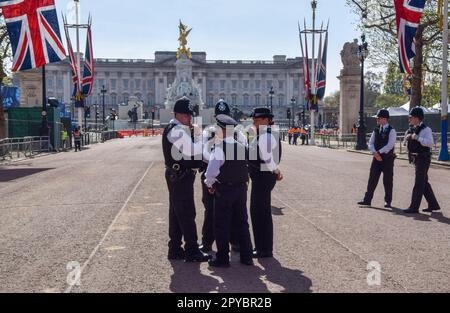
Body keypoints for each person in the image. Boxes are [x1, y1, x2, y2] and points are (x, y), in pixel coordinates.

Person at [162, 97, 211, 262]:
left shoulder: (179, 129)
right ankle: (191, 250)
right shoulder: (177, 130)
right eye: (187, 115)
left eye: (190, 115)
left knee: (176, 213)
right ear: (177, 114)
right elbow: (193, 151)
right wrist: (199, 135)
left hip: (179, 175)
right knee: (187, 212)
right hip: (180, 176)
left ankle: (175, 248)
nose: (190, 118)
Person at [204, 114, 253, 267]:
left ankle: (223, 258)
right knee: (242, 223)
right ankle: (247, 257)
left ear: (223, 130)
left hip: (224, 190)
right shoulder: (243, 147)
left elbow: (210, 172)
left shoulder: (219, 148)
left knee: (221, 224)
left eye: (218, 128)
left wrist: (210, 184)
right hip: (241, 189)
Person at [200, 99, 245, 253]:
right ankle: (219, 242)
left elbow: (204, 154)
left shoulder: (209, 131)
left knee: (217, 211)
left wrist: (217, 157)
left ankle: (215, 244)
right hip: (226, 176)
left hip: (217, 176)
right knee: (221, 211)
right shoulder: (238, 132)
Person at [248, 107, 283, 259]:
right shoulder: (266, 134)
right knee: (261, 213)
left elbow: (268, 159)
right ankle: (263, 247)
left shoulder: (265, 136)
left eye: (257, 119)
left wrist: (276, 171)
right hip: (262, 176)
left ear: (266, 120)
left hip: (262, 177)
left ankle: (263, 249)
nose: (254, 121)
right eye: (254, 119)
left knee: (259, 213)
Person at [402, 107, 441, 214]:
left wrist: (418, 138)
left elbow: (430, 143)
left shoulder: (426, 129)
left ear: (418, 118)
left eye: (412, 117)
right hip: (416, 158)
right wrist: (407, 138)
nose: (410, 119)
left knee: (419, 182)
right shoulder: (411, 129)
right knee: (424, 182)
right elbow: (405, 142)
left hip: (423, 158)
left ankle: (414, 207)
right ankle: (433, 204)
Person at [358, 109, 397, 208]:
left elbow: (390, 145)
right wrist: (375, 153)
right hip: (376, 158)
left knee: (387, 180)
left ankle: (388, 201)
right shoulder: (376, 130)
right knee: (372, 179)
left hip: (387, 159)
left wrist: (379, 152)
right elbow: (370, 143)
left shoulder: (392, 130)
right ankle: (367, 200)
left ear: (384, 119)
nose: (377, 120)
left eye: (378, 118)